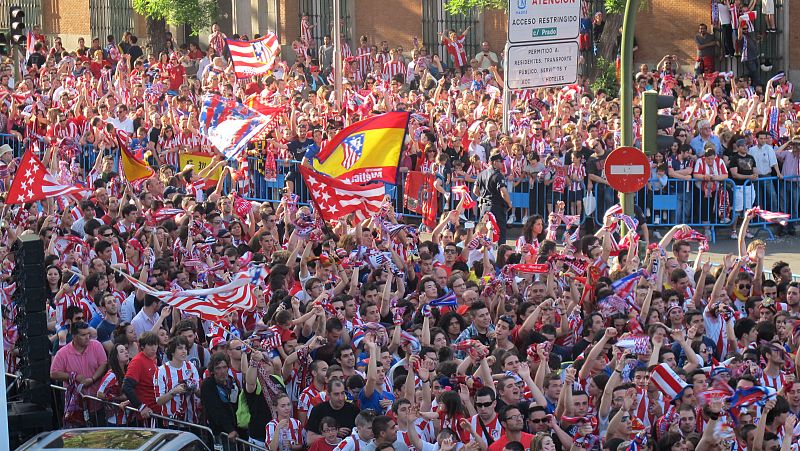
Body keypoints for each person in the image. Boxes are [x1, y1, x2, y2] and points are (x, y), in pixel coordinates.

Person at [473, 153, 511, 243]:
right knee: (500, 231)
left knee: (482, 230)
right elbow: (503, 192)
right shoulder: (498, 175)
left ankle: (482, 252)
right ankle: (501, 253)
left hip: (484, 207)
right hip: (496, 207)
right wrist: (509, 203)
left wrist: (483, 197)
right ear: (494, 162)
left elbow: (475, 190)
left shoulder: (481, 174)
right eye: (501, 162)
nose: (502, 164)